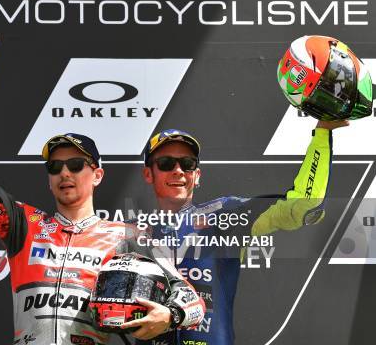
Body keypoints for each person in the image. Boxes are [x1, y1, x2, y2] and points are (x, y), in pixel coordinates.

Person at [0, 61, 205, 345]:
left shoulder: (128, 236)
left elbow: (191, 299)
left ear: (97, 175)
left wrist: (169, 316)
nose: (64, 172)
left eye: (76, 164)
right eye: (55, 167)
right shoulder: (25, 225)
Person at [134, 120, 347, 345]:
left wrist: (323, 132)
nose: (178, 171)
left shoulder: (226, 215)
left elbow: (303, 205)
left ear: (197, 176)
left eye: (187, 164)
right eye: (166, 163)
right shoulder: (131, 232)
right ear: (148, 174)